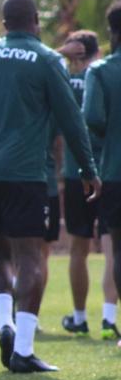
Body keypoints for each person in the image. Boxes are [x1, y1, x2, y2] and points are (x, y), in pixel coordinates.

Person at [0, 0, 101, 373]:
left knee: (0, 255)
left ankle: (5, 323)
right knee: (31, 257)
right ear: (35, 20)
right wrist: (88, 169)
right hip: (26, 174)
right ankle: (23, 349)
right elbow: (71, 120)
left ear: (3, 24)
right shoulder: (47, 60)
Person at [57, 31, 119, 339]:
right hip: (109, 171)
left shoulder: (65, 82)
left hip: (76, 173)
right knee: (112, 249)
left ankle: (80, 317)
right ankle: (109, 319)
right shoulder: (106, 74)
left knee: (78, 249)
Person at [84, 3, 121, 348]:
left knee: (117, 251)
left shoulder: (101, 72)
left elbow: (91, 118)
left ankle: (113, 318)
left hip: (114, 171)